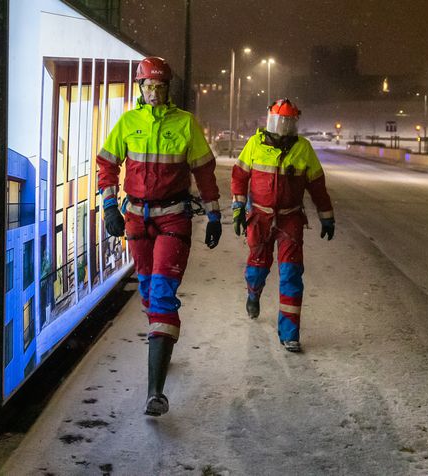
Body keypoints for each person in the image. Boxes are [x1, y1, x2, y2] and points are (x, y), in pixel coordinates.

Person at [96, 56, 221, 416]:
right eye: (149, 86)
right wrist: (108, 208)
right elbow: (106, 164)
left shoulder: (185, 124)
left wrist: (213, 215)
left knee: (163, 295)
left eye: (160, 86)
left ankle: (155, 394)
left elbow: (205, 173)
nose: (154, 92)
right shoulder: (128, 122)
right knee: (149, 292)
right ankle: (161, 346)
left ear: (168, 89)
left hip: (174, 220)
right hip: (136, 220)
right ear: (140, 87)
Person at [231, 98, 334, 353]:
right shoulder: (255, 144)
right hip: (260, 218)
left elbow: (317, 186)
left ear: (295, 122)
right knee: (257, 269)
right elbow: (239, 177)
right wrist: (237, 209)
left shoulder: (303, 149)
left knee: (291, 274)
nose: (283, 126)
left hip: (290, 219)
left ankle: (290, 334)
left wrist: (326, 215)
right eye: (280, 121)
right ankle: (253, 294)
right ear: (270, 120)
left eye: (288, 122)